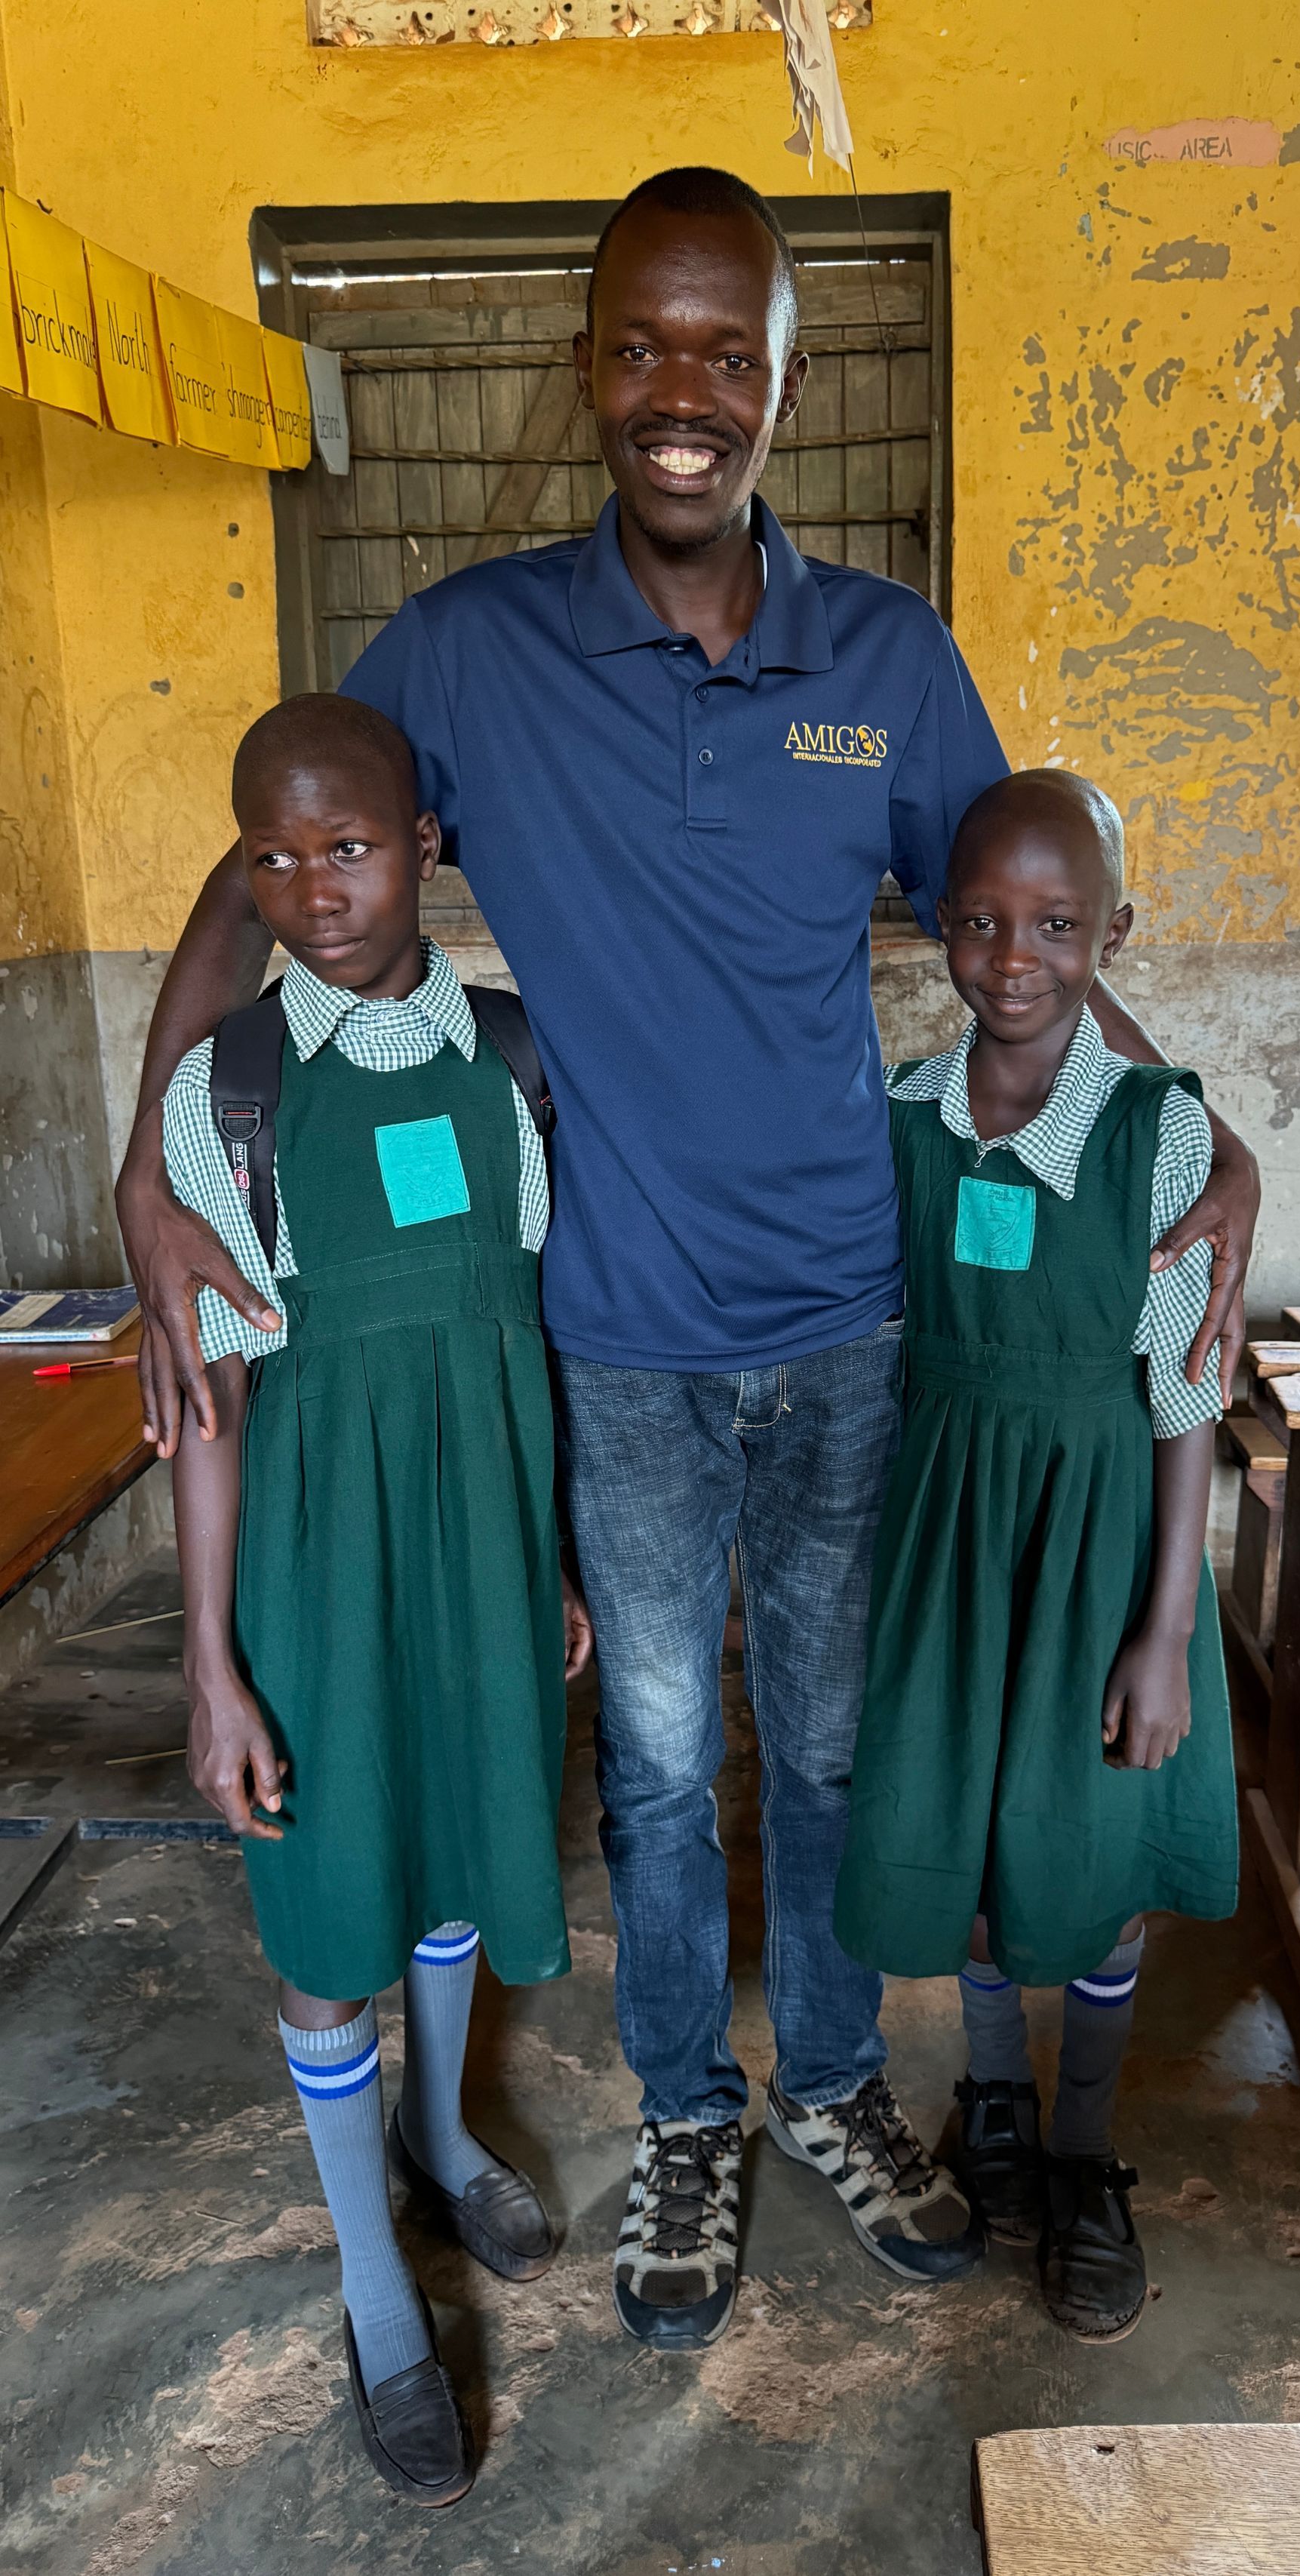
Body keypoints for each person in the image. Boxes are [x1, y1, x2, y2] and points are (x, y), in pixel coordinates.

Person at [118, 168, 1259, 2353]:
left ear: (785, 387)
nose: (682, 394)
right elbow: (256, 860)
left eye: (727, 352)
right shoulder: (465, 651)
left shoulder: (890, 662)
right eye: (643, 345)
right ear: (589, 372)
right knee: (653, 1757)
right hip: (618, 1331)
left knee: (817, 1740)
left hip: (846, 1311)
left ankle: (828, 2078)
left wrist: (1200, 1137)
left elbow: (1031, 939)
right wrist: (150, 1169)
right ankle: (688, 2111)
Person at [167, 693, 592, 2505]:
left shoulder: (511, 1054)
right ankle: (375, 2293)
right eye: (273, 853)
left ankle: (440, 2126)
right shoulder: (229, 1095)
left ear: (425, 842)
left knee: (453, 1854)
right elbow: (206, 1412)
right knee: (327, 1900)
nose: (312, 885)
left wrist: (555, 1547)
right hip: (319, 1562)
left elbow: (537, 1328)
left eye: (347, 845)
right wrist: (211, 1665)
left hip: (482, 1541)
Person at [834, 769, 1239, 2345]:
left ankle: (1081, 2150)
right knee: (985, 1849)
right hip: (952, 1538)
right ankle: (993, 2102)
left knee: (1094, 1850)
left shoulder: (1159, 1125)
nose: (1016, 957)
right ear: (942, 926)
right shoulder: (908, 1118)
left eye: (1059, 926)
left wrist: (1160, 1627)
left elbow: (1186, 1384)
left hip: (1099, 1543)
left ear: (1113, 935)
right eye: (986, 922)